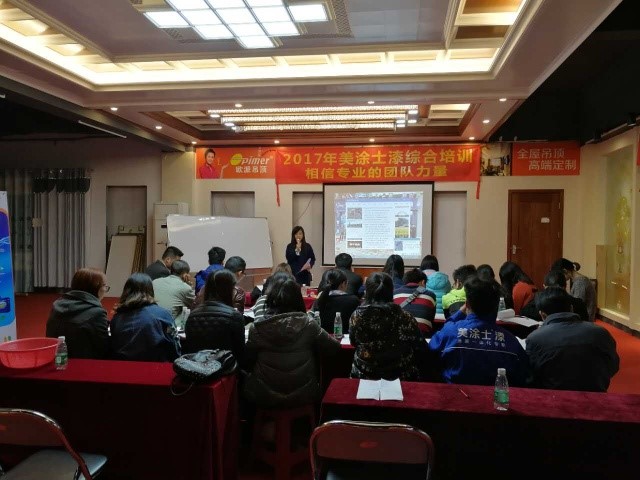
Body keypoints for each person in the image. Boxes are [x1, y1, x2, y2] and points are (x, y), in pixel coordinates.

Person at [243, 277, 340, 408]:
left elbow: (248, 361)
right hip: (304, 393)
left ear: (270, 300)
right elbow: (334, 347)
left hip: (265, 394)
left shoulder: (258, 328)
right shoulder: (308, 324)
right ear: (298, 299)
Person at [428, 276, 529, 386]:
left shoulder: (450, 332)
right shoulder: (510, 341)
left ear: (467, 304)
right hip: (496, 396)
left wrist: (459, 313)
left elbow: (430, 356)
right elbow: (523, 374)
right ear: (497, 305)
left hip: (453, 395)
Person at [526, 287, 619, 392]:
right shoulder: (601, 333)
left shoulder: (534, 339)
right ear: (571, 308)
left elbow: (532, 377)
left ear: (542, 315)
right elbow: (613, 366)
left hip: (553, 398)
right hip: (596, 397)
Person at [350, 273, 429, 381]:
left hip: (364, 375)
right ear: (391, 291)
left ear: (366, 292)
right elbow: (419, 344)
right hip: (401, 377)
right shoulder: (405, 317)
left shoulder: (356, 316)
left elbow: (353, 342)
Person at [110, 273, 180, 362]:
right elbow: (174, 345)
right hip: (155, 366)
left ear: (126, 291)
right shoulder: (163, 314)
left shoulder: (117, 318)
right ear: (150, 290)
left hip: (122, 366)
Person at [45, 268, 110, 359]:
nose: (105, 289)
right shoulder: (97, 313)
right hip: (85, 363)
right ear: (95, 287)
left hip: (56, 359)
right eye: (105, 286)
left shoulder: (57, 305)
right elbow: (104, 346)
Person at [184, 269, 245, 363]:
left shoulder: (193, 315)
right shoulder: (234, 316)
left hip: (197, 368)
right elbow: (240, 352)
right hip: (226, 368)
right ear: (229, 290)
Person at [520, 269, 589, 322]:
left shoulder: (536, 305)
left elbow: (523, 314)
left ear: (544, 286)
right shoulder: (579, 304)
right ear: (565, 286)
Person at [315, 269, 360, 334]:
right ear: (343, 284)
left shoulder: (320, 299)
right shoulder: (353, 300)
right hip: (345, 337)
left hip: (323, 337)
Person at [152, 259, 195, 328]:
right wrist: (189, 286)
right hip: (167, 325)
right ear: (185, 275)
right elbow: (194, 305)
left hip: (151, 321)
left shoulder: (155, 282)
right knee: (187, 310)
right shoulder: (186, 288)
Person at [393, 268, 436, 336]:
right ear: (423, 282)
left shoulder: (395, 294)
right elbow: (431, 319)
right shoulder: (430, 295)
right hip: (423, 336)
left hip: (399, 335)